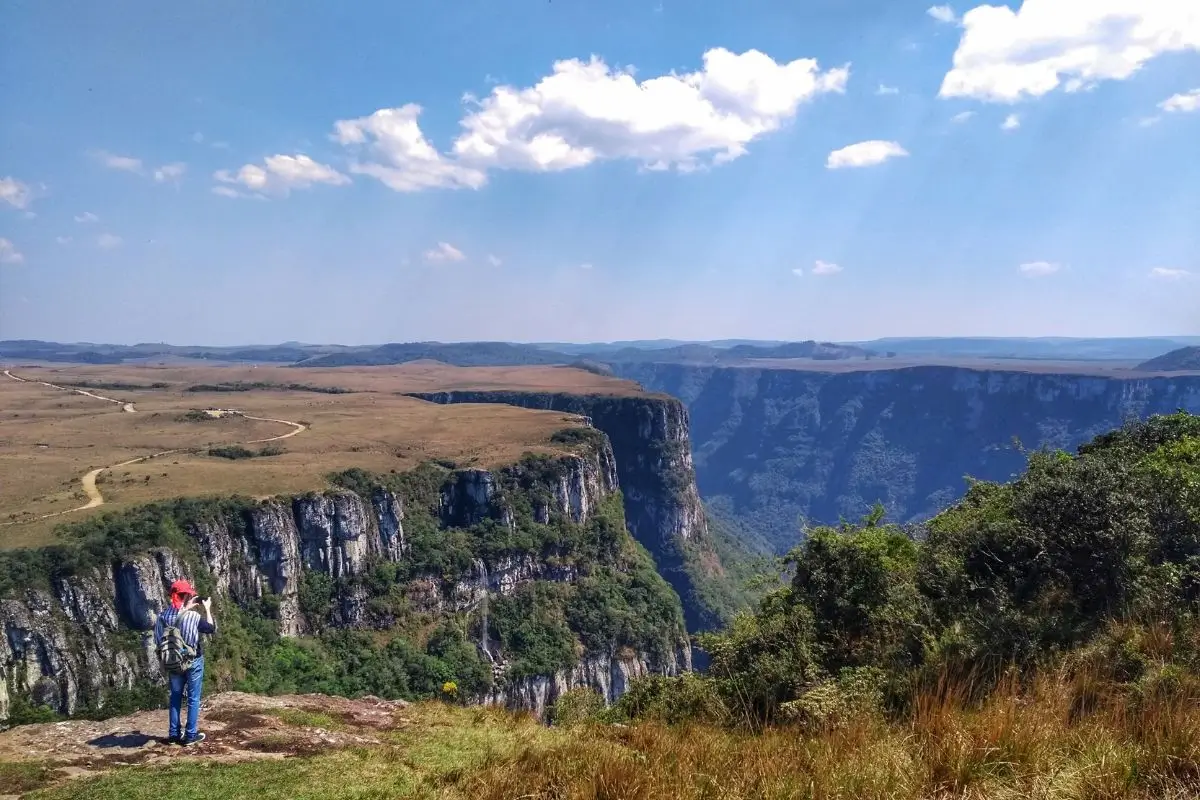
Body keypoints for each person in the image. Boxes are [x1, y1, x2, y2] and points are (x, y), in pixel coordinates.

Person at [153, 579, 216, 746]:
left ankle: (174, 735)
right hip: (193, 661)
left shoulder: (161, 618)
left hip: (173, 663)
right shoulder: (193, 616)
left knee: (175, 697)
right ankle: (190, 735)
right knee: (193, 698)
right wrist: (207, 609)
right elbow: (210, 628)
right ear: (187, 596)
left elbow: (158, 641)